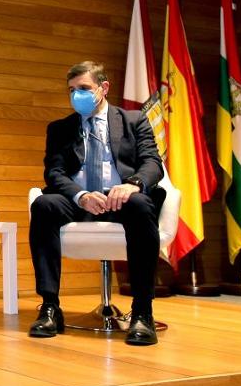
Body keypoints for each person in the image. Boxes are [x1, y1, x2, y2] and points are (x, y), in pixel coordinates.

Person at [28, 61, 165, 346]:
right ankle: (50, 307)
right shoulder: (60, 129)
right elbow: (54, 173)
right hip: (80, 201)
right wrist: (81, 195)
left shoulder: (134, 120)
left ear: (103, 88)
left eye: (84, 88)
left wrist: (132, 185)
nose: (76, 95)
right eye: (72, 90)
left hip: (121, 199)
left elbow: (153, 163)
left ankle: (142, 312)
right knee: (44, 206)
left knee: (141, 205)